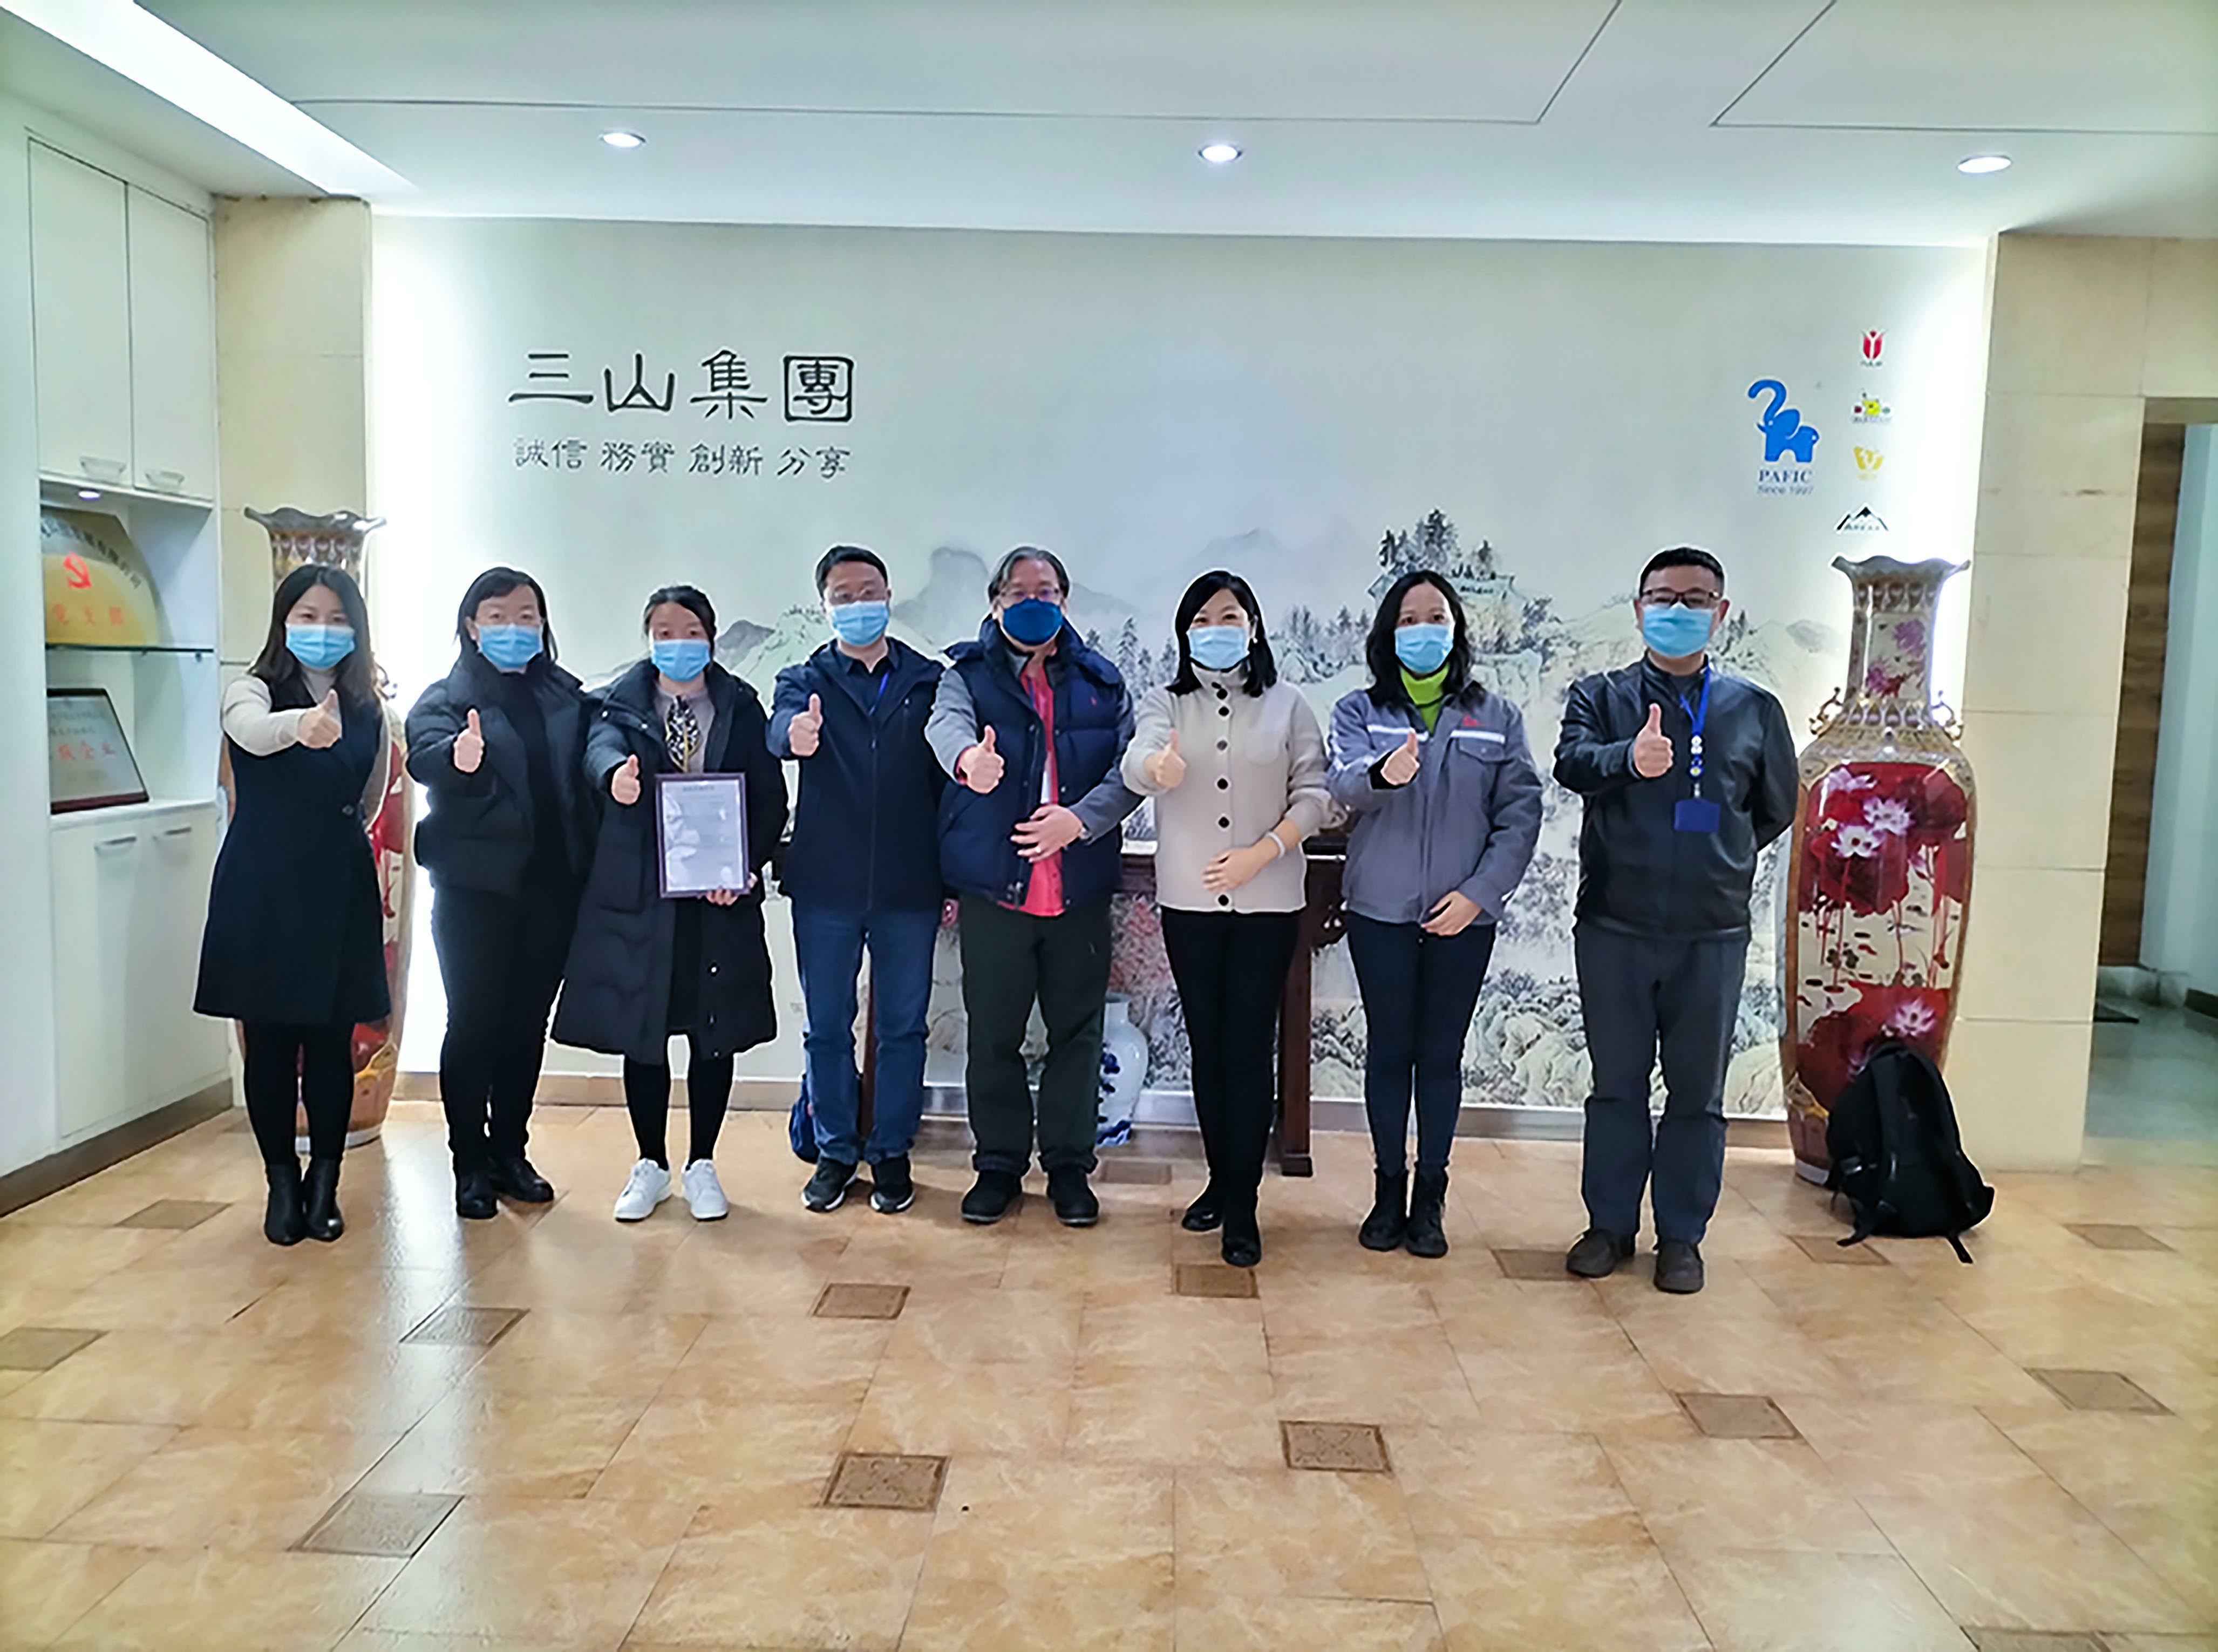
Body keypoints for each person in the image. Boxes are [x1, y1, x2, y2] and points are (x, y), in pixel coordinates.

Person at [1554, 546, 1797, 1294]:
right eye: (1663, 598)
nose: (1678, 611)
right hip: (1614, 924)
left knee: (1697, 1094)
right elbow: (1571, 764)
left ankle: (1682, 1237)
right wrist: (1629, 758)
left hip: (1710, 931)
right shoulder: (1600, 696)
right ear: (1638, 611)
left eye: (1695, 599)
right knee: (1616, 1086)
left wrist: (1720, 855)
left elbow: (1775, 807)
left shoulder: (1753, 710)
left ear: (1720, 614)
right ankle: (1608, 1226)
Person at [553, 585, 788, 1222]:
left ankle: (703, 1162)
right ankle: (651, 1163)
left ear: (710, 636)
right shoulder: (619, 703)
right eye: (664, 632)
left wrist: (744, 867)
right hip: (642, 897)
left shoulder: (741, 705)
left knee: (716, 1032)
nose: (677, 643)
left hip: (718, 897)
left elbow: (769, 798)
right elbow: (598, 752)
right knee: (645, 1031)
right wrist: (616, 777)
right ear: (648, 638)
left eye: (690, 631)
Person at [1328, 570, 1542, 1259]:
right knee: (1390, 1050)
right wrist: (1382, 774)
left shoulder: (1496, 716)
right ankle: (1387, 1190)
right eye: (1409, 618)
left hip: (1464, 914)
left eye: (1437, 617)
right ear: (1389, 634)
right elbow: (1342, 784)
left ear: (1456, 630)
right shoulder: (1360, 711)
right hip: (1379, 910)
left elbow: (1519, 814)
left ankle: (1431, 1195)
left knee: (1441, 1055)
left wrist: (1480, 893)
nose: (1424, 629)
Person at [927, 546, 1141, 1227]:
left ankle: (1070, 1167)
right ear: (995, 603)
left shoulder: (1102, 681)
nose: (1033, 600)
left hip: (1078, 886)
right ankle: (998, 1165)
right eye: (1018, 591)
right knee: (995, 1034)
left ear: (1065, 601)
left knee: (1077, 1034)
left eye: (1045, 590)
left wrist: (1079, 821)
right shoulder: (965, 674)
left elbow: (1131, 769)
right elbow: (945, 726)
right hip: (998, 889)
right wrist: (969, 760)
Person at [1121, 571, 1328, 1266]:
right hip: (1190, 904)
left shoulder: (1288, 705)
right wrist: (1156, 767)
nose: (1217, 628)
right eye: (1202, 619)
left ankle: (1243, 1205)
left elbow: (1315, 796)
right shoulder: (1165, 702)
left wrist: (1263, 852)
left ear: (1254, 627)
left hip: (1268, 903)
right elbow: (1137, 759)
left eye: (1230, 616)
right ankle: (1220, 1178)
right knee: (1209, 1048)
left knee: (1247, 1047)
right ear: (1185, 634)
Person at [196, 564, 390, 1246]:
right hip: (263, 885)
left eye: (337, 619)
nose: (323, 630)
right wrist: (301, 726)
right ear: (283, 622)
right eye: (308, 616)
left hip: (338, 881)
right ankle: (281, 1181)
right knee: (271, 1042)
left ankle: (325, 1183)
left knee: (333, 1041)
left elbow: (370, 796)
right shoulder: (249, 690)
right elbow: (250, 733)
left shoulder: (368, 706)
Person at [405, 567, 591, 1219]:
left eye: (527, 616)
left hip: (552, 887)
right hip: (475, 892)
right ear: (471, 625)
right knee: (474, 1022)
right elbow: (426, 756)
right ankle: (469, 1161)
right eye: (498, 616)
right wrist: (459, 759)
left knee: (525, 1025)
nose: (515, 628)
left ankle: (512, 1151)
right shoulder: (445, 701)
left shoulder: (567, 697)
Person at [768, 546, 946, 1215]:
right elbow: (779, 728)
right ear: (825, 607)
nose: (858, 604)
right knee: (826, 1026)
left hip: (910, 883)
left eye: (868, 591)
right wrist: (796, 733)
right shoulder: (804, 679)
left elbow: (948, 770)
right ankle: (836, 1149)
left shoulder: (928, 681)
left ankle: (892, 1150)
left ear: (889, 594)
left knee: (903, 1027)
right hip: (826, 886)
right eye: (843, 595)